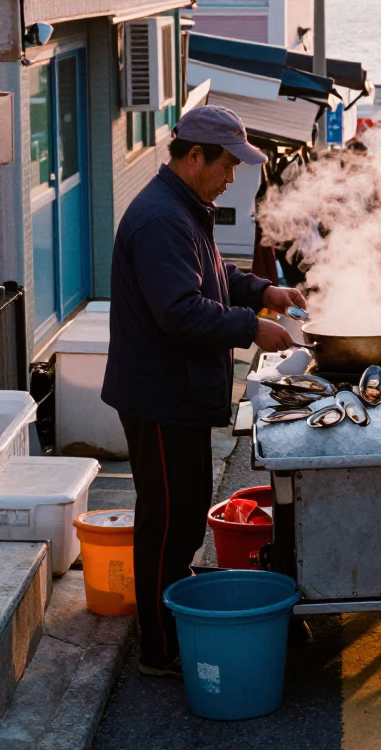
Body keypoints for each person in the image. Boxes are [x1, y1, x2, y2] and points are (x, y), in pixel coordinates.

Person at [102, 105, 304, 677]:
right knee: (168, 522)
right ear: (194, 157)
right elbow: (180, 311)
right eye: (227, 164)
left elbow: (215, 279)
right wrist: (252, 328)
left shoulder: (187, 208)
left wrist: (267, 292)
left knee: (183, 515)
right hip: (160, 396)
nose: (232, 176)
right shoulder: (163, 219)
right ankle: (161, 649)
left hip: (177, 393)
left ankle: (169, 624)